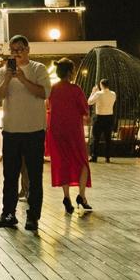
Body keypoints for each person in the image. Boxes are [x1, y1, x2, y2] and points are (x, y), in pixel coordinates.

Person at [0, 35, 50, 232]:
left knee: (34, 176)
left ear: (28, 49)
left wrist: (23, 79)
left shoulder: (38, 69)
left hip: (34, 130)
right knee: (9, 176)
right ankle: (8, 213)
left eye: (20, 49)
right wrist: (8, 78)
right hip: (10, 130)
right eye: (13, 49)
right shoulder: (3, 71)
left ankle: (33, 216)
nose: (16, 53)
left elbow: (44, 93)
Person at [46, 58, 92, 213]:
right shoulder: (76, 89)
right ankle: (82, 195)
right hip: (73, 130)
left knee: (62, 162)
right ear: (69, 72)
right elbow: (84, 110)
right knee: (82, 162)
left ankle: (66, 196)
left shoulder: (52, 89)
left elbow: (49, 107)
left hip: (56, 130)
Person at [87, 78, 116, 163]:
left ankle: (94, 156)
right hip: (110, 117)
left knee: (96, 138)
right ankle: (107, 157)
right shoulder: (113, 94)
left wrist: (93, 92)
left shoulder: (98, 93)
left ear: (101, 85)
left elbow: (89, 102)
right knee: (108, 138)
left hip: (99, 118)